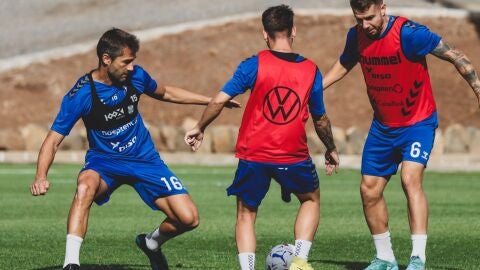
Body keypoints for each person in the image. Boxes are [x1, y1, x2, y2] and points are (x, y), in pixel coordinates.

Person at [29, 28, 239, 270]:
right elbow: (53, 140)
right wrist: (41, 176)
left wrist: (212, 101)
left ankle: (151, 243)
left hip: (144, 159)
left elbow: (166, 92)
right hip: (104, 163)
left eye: (133, 61)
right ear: (106, 59)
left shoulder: (136, 77)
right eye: (126, 61)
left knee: (189, 218)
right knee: (85, 186)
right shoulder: (82, 94)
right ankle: (71, 264)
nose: (131, 67)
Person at [323, 1, 480, 269]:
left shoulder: (409, 33)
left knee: (410, 178)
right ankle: (385, 258)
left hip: (418, 123)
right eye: (359, 19)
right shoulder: (356, 36)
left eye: (370, 17)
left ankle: (417, 258)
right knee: (368, 190)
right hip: (383, 127)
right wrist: (316, 88)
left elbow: (454, 54)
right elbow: (344, 63)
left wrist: (478, 89)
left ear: (382, 7)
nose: (365, 25)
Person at [184, 5, 339, 270]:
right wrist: (331, 148)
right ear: (293, 31)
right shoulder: (312, 71)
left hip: (253, 153)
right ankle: (300, 261)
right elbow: (320, 118)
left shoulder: (253, 64)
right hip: (293, 154)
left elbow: (219, 100)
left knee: (246, 214)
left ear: (264, 34)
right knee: (310, 200)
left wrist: (200, 127)